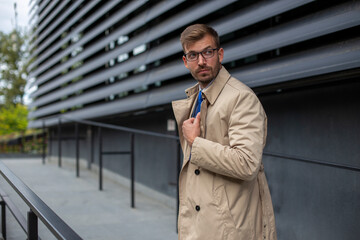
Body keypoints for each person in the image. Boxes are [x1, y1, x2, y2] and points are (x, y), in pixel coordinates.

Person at [172, 24, 277, 240]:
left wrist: (196, 142)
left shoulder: (241, 98)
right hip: (199, 225)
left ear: (219, 54)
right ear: (185, 61)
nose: (201, 61)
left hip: (229, 230)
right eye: (193, 55)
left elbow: (247, 163)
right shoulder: (196, 98)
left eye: (207, 52)